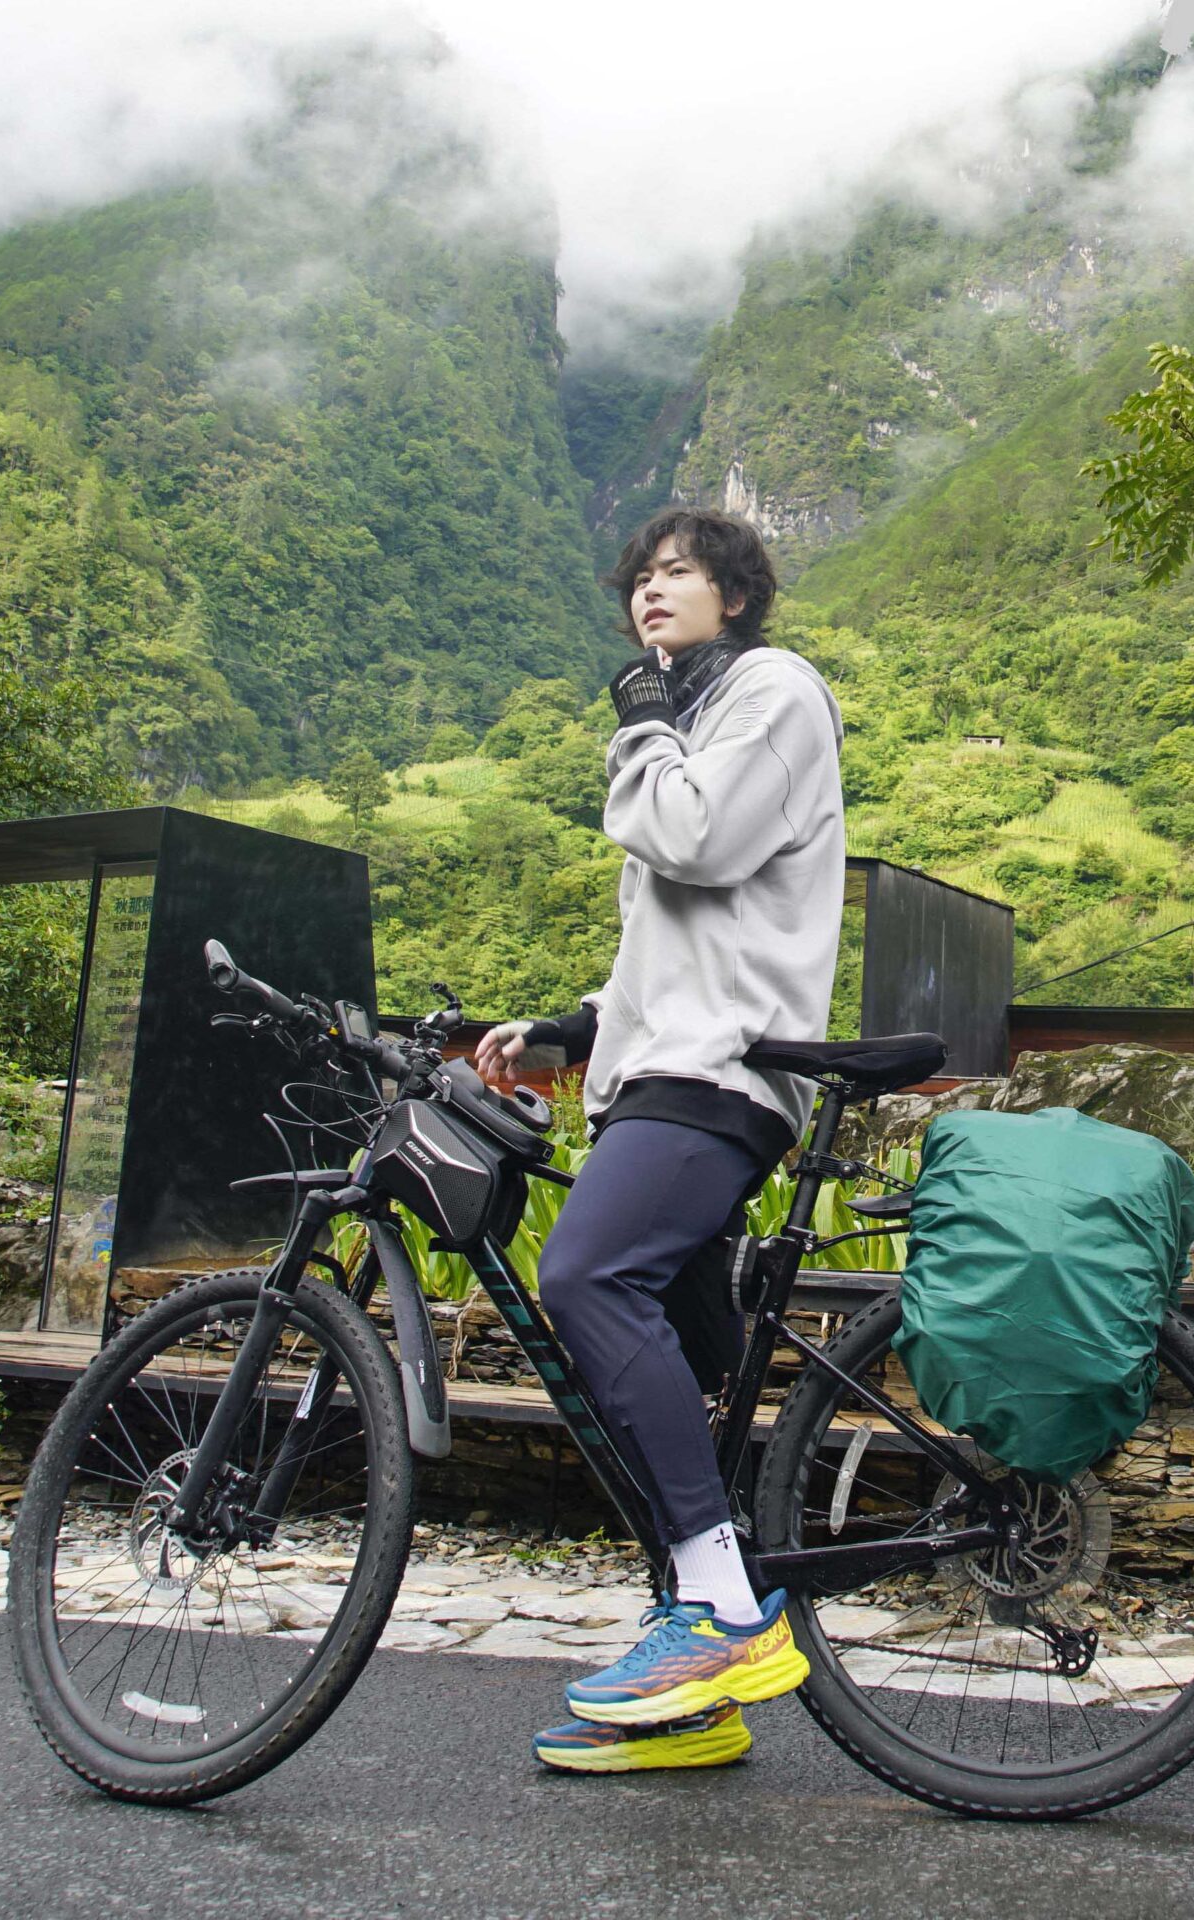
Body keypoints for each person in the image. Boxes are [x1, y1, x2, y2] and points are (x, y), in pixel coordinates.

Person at [475, 506, 846, 1774]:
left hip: (720, 1079)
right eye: (638, 578)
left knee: (582, 1275)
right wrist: (571, 1028)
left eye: (677, 573)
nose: (650, 591)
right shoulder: (695, 725)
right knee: (687, 1367)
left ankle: (725, 1612)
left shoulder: (771, 692)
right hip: (662, 1066)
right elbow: (676, 944)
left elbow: (695, 841)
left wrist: (638, 721)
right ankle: (698, 1699)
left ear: (735, 593)